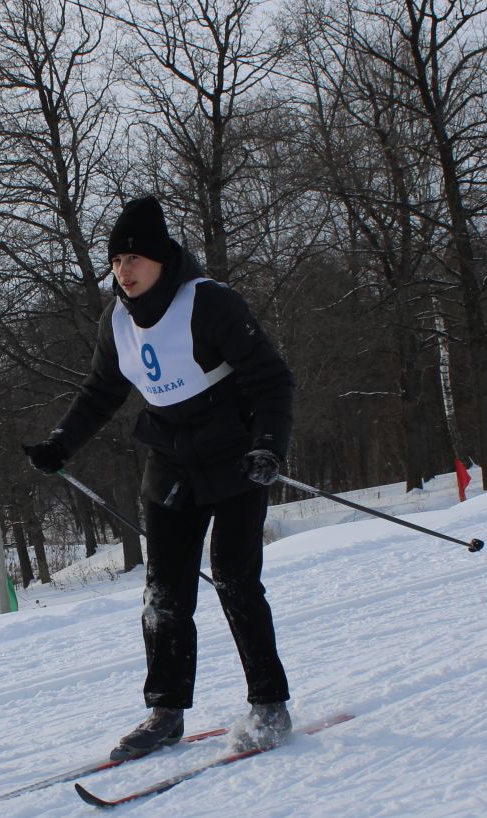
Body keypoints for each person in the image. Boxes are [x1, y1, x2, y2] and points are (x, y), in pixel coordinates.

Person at [24, 195, 295, 760]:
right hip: (170, 462)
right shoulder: (116, 319)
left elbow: (271, 379)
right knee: (165, 592)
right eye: (116, 260)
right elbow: (102, 391)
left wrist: (268, 446)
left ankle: (269, 703)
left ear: (162, 259)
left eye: (135, 258)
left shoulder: (209, 303)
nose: (124, 270)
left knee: (233, 578)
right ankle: (165, 712)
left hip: (235, 455)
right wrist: (59, 445)